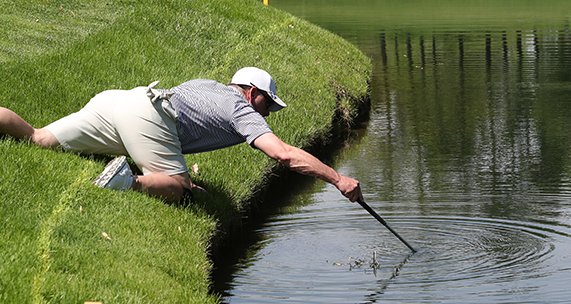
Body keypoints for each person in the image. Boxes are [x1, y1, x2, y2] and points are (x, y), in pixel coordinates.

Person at [0, 67, 362, 204]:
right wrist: (338, 178)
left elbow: (180, 128)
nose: (268, 113)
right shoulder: (242, 110)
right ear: (252, 92)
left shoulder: (206, 84)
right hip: (149, 116)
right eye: (268, 103)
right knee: (178, 189)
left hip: (119, 99)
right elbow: (282, 154)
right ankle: (124, 183)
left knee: (38, 139)